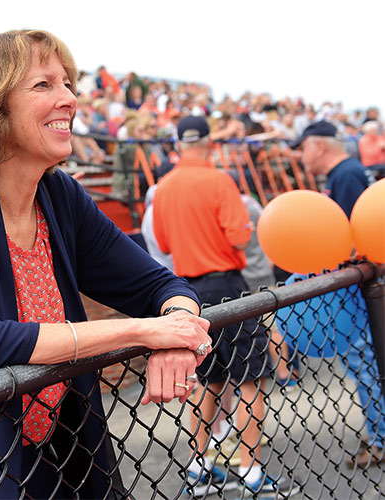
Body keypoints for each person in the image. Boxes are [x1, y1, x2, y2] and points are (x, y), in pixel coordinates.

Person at [0, 30, 214, 500]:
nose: (69, 99)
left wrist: (179, 327)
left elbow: (159, 283)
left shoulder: (60, 196)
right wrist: (144, 333)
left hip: (54, 461)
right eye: (44, 85)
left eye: (68, 84)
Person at [152, 116, 294, 497]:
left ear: (179, 144)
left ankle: (200, 467)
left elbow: (164, 245)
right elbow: (239, 234)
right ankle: (249, 472)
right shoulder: (219, 180)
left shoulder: (162, 188)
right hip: (229, 287)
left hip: (190, 296)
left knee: (209, 381)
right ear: (210, 142)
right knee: (251, 381)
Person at [295, 119, 385, 466]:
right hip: (365, 286)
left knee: (366, 361)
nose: (301, 157)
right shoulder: (348, 171)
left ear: (318, 146)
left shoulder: (345, 174)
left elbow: (352, 239)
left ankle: (379, 439)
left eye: (303, 148)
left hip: (360, 289)